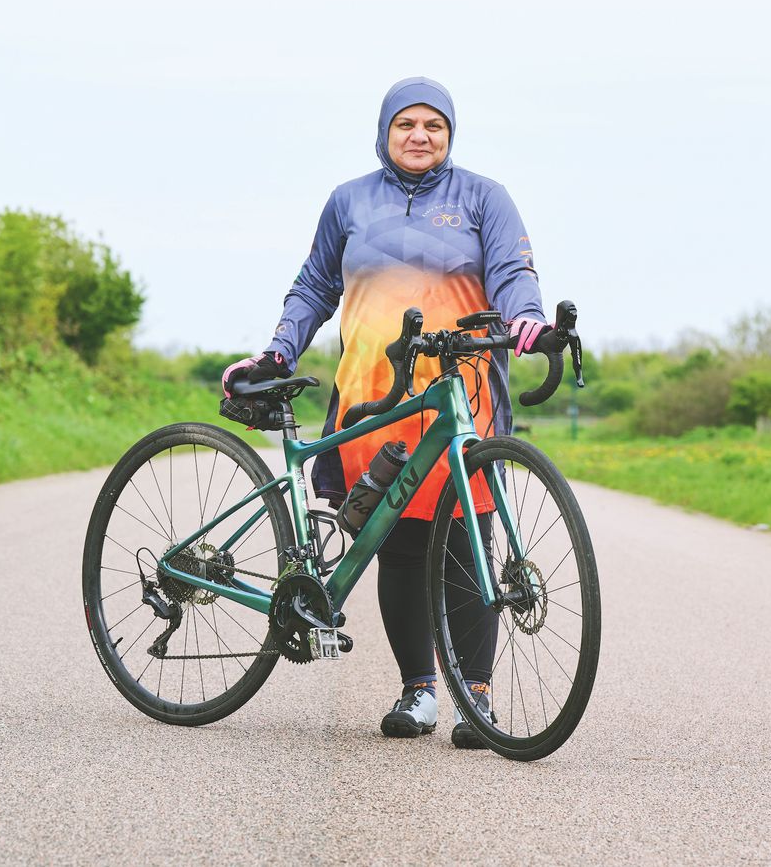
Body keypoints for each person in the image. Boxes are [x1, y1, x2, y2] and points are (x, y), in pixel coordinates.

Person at [222, 77, 548, 748]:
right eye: (407, 124)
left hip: (463, 394)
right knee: (396, 546)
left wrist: (527, 318)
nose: (420, 135)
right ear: (385, 131)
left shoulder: (484, 198)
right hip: (374, 396)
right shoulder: (349, 201)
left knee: (465, 542)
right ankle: (418, 690)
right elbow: (314, 284)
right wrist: (280, 350)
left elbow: (516, 273)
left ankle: (475, 697)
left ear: (450, 133)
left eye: (434, 125)